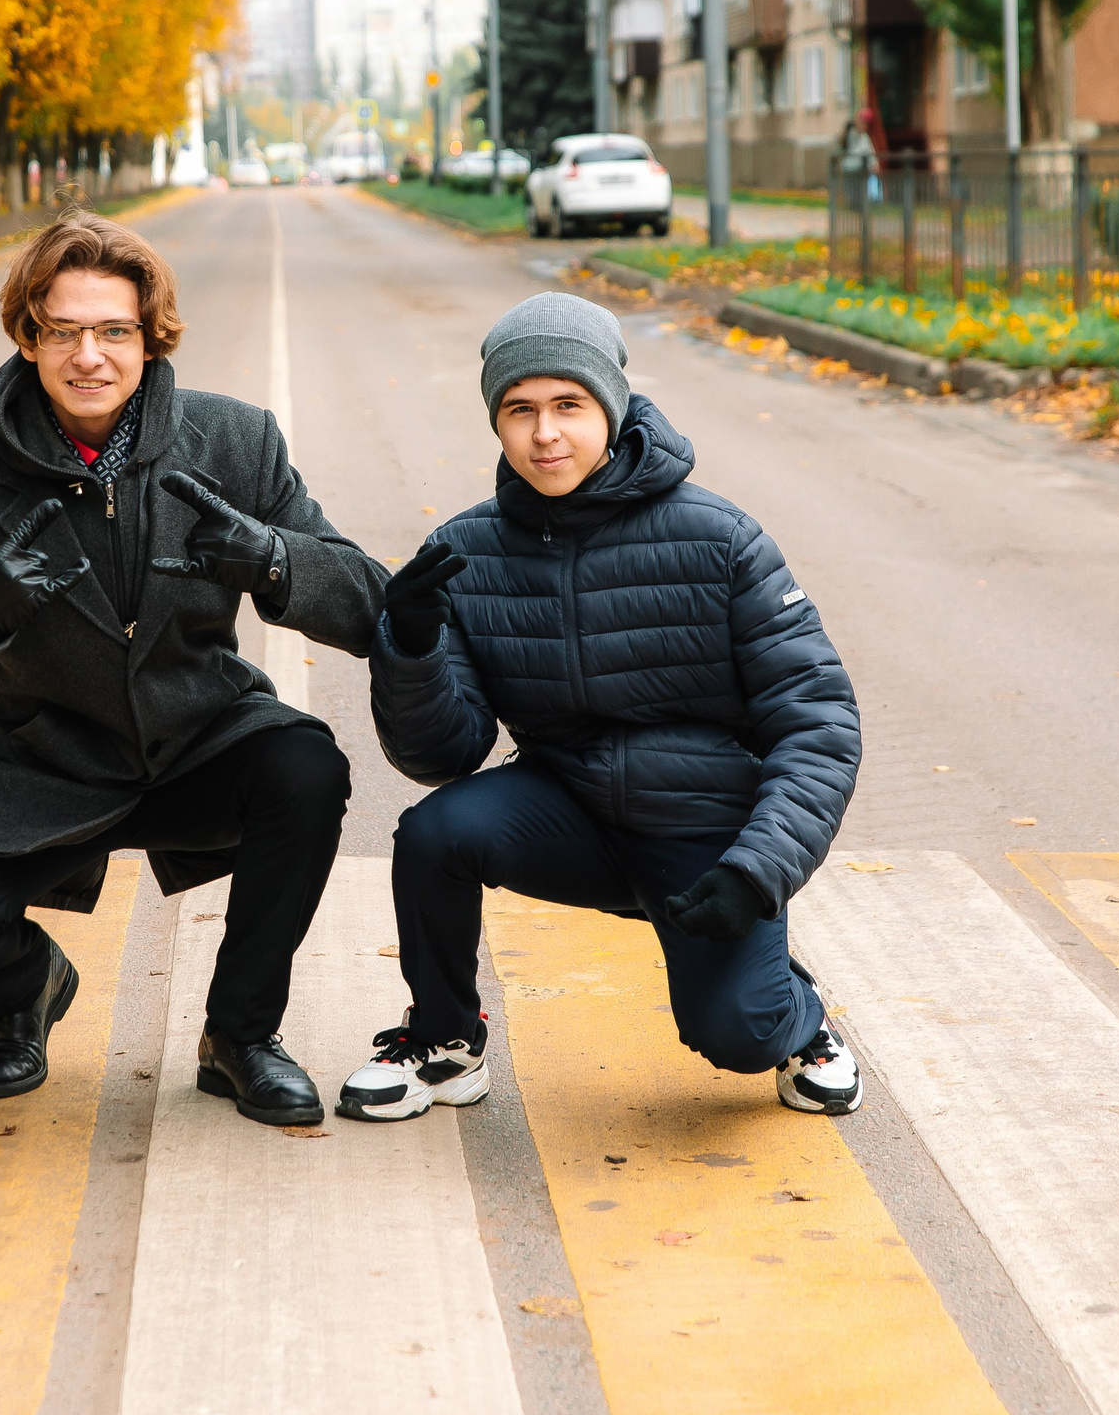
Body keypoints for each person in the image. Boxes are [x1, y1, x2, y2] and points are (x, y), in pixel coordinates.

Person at [0, 211, 386, 1127]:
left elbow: (372, 605)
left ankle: (239, 1036)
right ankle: (28, 986)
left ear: (149, 337)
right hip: (41, 761)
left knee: (306, 767)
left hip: (201, 737)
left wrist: (277, 561)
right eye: (64, 330)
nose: (89, 355)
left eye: (115, 331)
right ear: (28, 336)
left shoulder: (235, 442)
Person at [338, 291, 863, 1123]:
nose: (546, 433)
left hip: (705, 835)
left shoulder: (720, 538)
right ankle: (443, 1040)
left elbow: (819, 723)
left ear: (611, 407)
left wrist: (756, 871)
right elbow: (444, 754)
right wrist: (408, 648)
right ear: (498, 424)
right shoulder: (467, 551)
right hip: (569, 812)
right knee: (434, 831)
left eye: (568, 405)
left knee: (737, 1032)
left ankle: (799, 1018)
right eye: (520, 410)